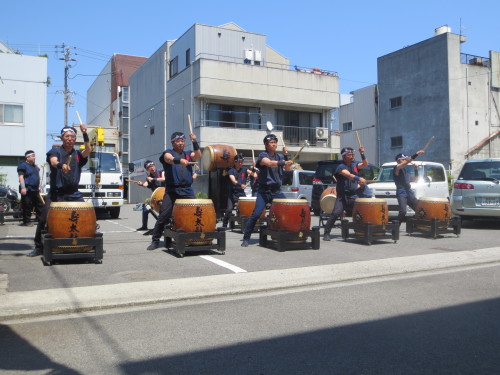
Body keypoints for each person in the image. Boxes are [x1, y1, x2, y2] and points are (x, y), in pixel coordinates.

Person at [30, 124, 91, 257]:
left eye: (73, 136)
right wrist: (61, 165)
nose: (70, 138)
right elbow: (53, 162)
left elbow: (88, 149)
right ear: (62, 138)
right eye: (67, 136)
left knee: (87, 215)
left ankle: (90, 243)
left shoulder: (77, 155)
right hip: (57, 193)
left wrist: (85, 133)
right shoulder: (55, 151)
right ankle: (38, 247)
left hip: (73, 193)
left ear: (75, 139)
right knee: (43, 218)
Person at [147, 131, 201, 250]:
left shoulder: (187, 154)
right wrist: (179, 161)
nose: (181, 143)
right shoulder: (168, 152)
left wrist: (194, 141)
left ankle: (194, 237)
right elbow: (168, 159)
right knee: (163, 216)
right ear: (173, 142)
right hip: (172, 190)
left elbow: (198, 156)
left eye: (182, 141)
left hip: (187, 190)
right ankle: (155, 240)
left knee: (196, 212)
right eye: (178, 141)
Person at [241, 134, 293, 247]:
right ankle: (246, 238)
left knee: (287, 210)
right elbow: (269, 163)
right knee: (256, 214)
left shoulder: (279, 156)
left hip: (277, 190)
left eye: (275, 142)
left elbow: (287, 169)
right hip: (264, 191)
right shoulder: (262, 156)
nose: (274, 144)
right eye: (271, 142)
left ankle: (287, 235)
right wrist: (284, 162)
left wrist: (286, 156)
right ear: (266, 145)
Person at [323, 146, 368, 241]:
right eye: (349, 154)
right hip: (342, 196)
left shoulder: (355, 165)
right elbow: (349, 175)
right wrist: (359, 179)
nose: (351, 156)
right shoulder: (340, 167)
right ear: (344, 156)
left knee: (362, 211)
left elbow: (365, 164)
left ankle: (362, 231)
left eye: (352, 154)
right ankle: (326, 233)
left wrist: (362, 153)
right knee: (335, 213)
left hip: (353, 195)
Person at [394, 150, 425, 223]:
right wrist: (416, 154)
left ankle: (417, 224)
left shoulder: (406, 170)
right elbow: (406, 162)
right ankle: (395, 227)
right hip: (401, 192)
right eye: (403, 159)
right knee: (403, 211)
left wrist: (416, 170)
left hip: (409, 191)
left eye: (405, 159)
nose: (405, 160)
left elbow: (415, 179)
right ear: (398, 160)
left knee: (419, 208)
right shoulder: (397, 168)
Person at [17, 150, 44, 226]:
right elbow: (21, 177)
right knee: (27, 205)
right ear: (27, 157)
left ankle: (39, 219)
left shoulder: (35, 166)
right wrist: (23, 188)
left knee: (39, 205)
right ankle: (27, 221)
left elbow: (36, 177)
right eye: (32, 156)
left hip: (35, 189)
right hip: (27, 189)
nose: (34, 157)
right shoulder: (23, 165)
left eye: (34, 155)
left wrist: (38, 186)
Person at [136, 160, 165, 231]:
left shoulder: (161, 171)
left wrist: (153, 179)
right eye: (149, 167)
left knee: (162, 208)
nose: (152, 168)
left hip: (165, 196)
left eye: (152, 166)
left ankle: (160, 226)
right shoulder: (148, 177)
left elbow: (164, 179)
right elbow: (146, 184)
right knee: (146, 208)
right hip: (155, 198)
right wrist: (141, 184)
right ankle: (144, 226)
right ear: (147, 169)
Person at [221, 154, 248, 228]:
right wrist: (241, 185)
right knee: (229, 209)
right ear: (235, 162)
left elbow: (252, 173)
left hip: (241, 193)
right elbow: (233, 181)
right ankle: (225, 223)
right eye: (239, 162)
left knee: (246, 208)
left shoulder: (245, 169)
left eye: (241, 162)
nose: (240, 163)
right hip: (232, 194)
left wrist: (254, 171)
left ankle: (246, 223)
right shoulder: (231, 171)